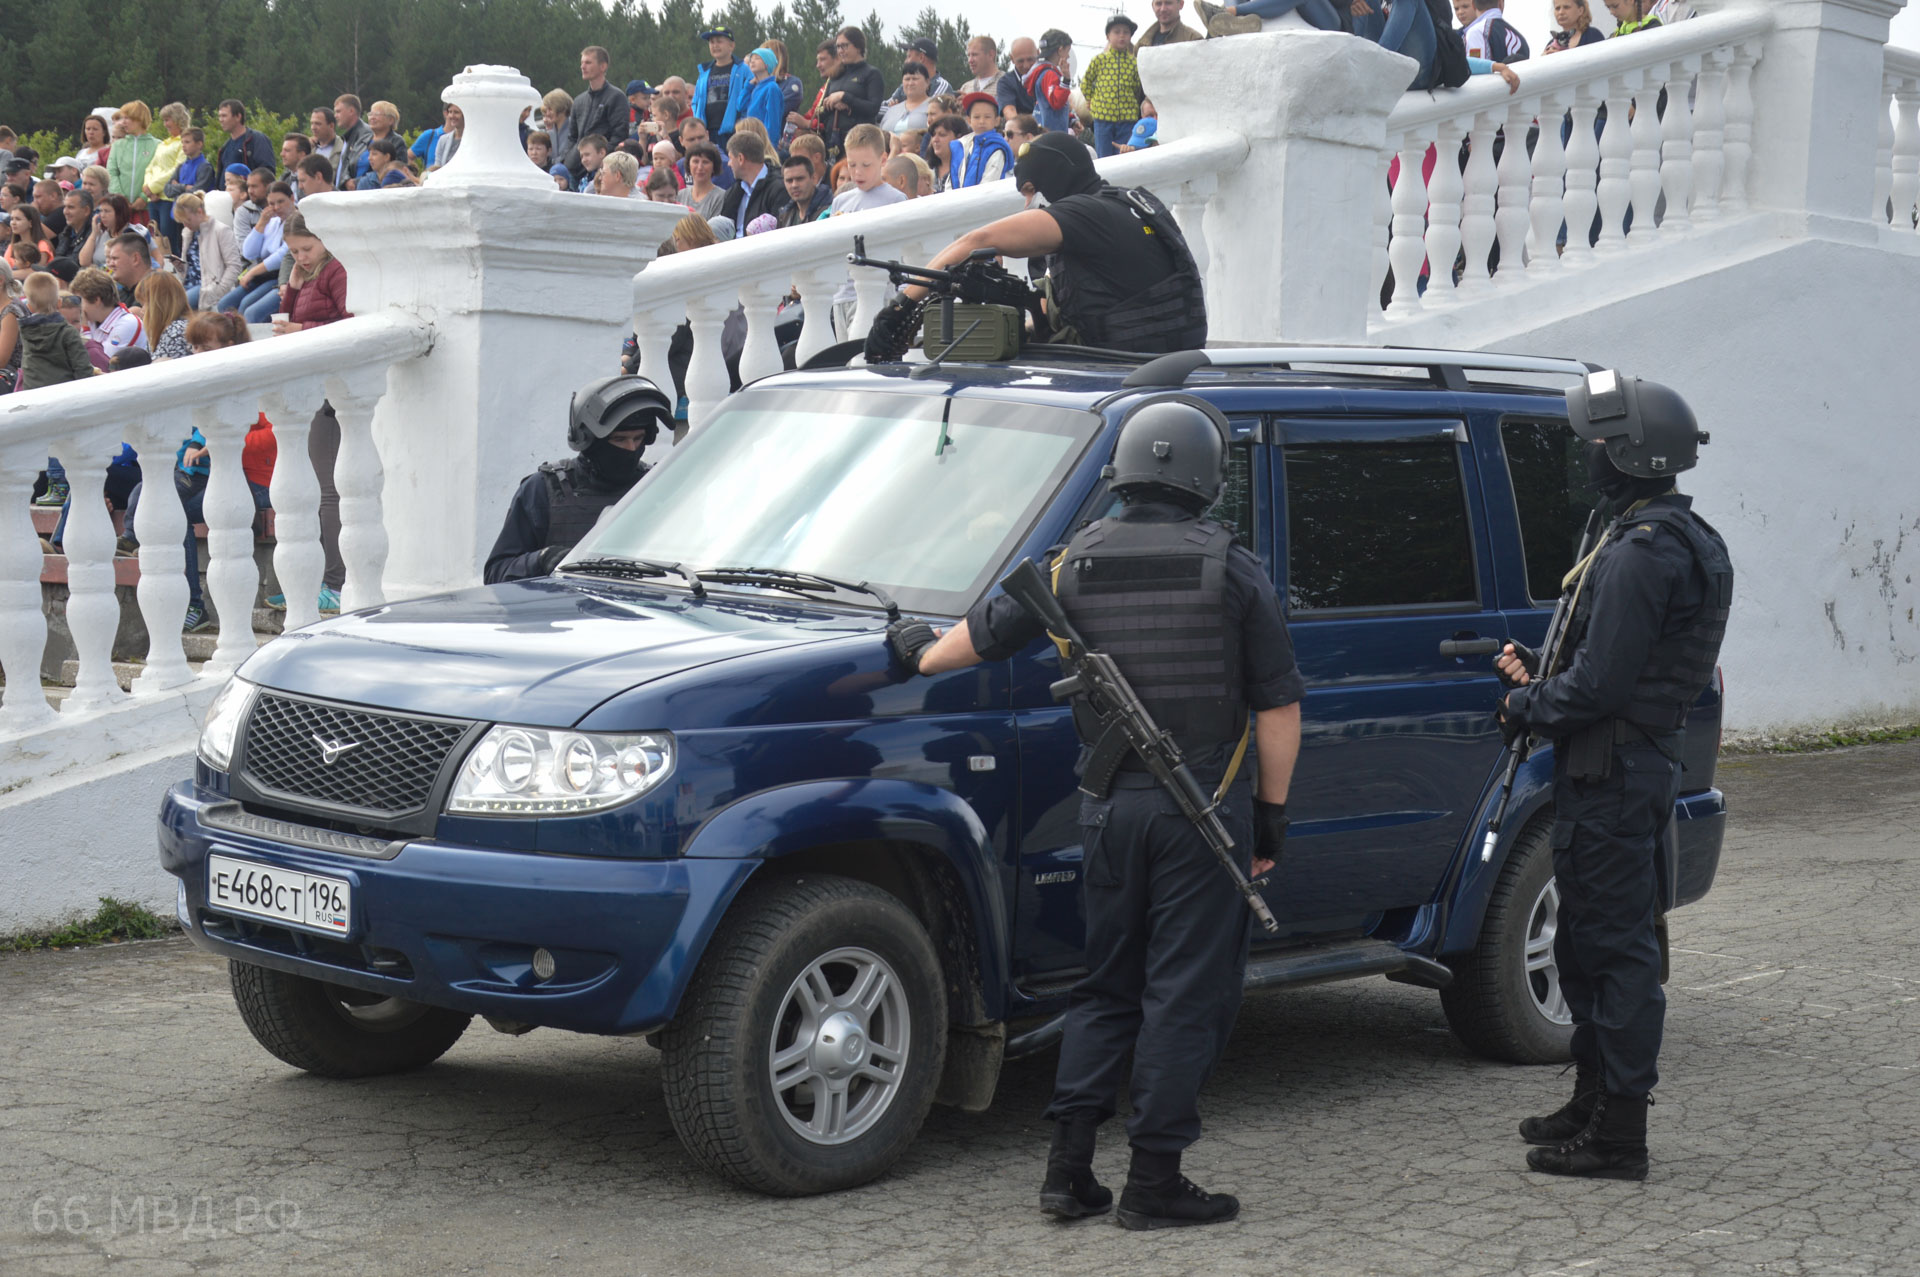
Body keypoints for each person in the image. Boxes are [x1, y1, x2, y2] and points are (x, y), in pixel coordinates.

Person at [887, 399, 1302, 1229]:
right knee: (1184, 994)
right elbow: (1279, 710)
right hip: (1200, 819)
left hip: (1108, 811)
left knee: (1107, 987)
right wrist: (1270, 821)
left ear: (1124, 472)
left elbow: (986, 632)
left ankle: (1068, 1171)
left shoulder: (1073, 558)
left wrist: (922, 651)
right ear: (1204, 479)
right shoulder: (1232, 568)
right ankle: (1153, 1181)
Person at [1495, 371, 1731, 1182]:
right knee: (1586, 942)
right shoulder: (1662, 534)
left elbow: (1601, 686)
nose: (1588, 454)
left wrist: (1531, 704)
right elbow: (1612, 666)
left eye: (1600, 441)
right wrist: (1539, 675)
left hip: (1615, 770)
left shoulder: (1643, 552)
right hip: (1619, 764)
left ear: (1631, 452)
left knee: (1617, 952)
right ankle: (1592, 1098)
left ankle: (1618, 1133)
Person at [870, 132, 1207, 356]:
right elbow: (1089, 302)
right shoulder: (1128, 201)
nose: (1027, 201)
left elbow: (977, 241)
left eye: (1030, 190)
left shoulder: (1085, 213)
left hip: (1129, 368)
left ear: (1055, 180)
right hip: (1157, 356)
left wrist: (898, 308)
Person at [484, 375, 673, 584]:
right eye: (620, 439)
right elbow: (496, 573)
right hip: (566, 612)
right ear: (589, 441)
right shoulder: (542, 490)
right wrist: (541, 559)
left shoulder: (655, 488)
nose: (631, 448)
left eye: (637, 438)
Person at [220, 182, 295, 320]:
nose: (277, 207)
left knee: (248, 309)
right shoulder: (272, 222)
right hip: (263, 275)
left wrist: (252, 272)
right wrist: (261, 224)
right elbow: (248, 252)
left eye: (281, 202)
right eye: (272, 204)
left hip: (279, 276)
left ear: (292, 198)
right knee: (224, 304)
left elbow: (282, 256)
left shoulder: (296, 221)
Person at [272, 213, 349, 331]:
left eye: (307, 249)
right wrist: (292, 289)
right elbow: (286, 321)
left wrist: (302, 329)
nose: (300, 258)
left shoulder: (337, 270)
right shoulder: (303, 272)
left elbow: (351, 323)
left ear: (324, 240)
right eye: (294, 251)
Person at [1081, 18, 1146, 158]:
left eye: (1126, 32)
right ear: (1108, 36)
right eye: (1117, 32)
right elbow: (1086, 83)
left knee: (1124, 156)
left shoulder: (1134, 63)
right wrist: (1091, 99)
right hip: (1103, 118)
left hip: (1127, 119)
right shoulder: (1099, 60)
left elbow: (1136, 87)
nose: (1122, 36)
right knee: (1104, 156)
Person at [566, 45, 631, 179]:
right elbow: (572, 137)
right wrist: (568, 158)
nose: (583, 67)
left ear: (603, 66)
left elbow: (619, 134)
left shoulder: (616, 97)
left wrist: (602, 160)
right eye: (582, 63)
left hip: (602, 170)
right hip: (574, 169)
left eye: (588, 62)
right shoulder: (579, 101)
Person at [821, 28, 886, 153]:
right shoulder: (835, 75)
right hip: (833, 142)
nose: (840, 51)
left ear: (858, 46)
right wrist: (834, 105)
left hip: (860, 142)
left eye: (844, 46)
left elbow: (873, 108)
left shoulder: (872, 74)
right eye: (838, 47)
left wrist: (845, 97)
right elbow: (821, 113)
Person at [174, 191, 237, 308]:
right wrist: (179, 266)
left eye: (188, 220)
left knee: (175, 308)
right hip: (190, 286)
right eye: (182, 221)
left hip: (208, 288)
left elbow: (234, 266)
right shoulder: (188, 233)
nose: (185, 224)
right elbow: (188, 271)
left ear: (199, 212)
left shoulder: (221, 230)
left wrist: (218, 291)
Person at [693, 27, 752, 147]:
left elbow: (750, 97)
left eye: (719, 41)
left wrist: (743, 122)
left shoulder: (743, 69)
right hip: (708, 130)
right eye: (711, 42)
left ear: (731, 46)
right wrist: (698, 120)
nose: (715, 45)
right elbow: (696, 101)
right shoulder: (704, 72)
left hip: (733, 130)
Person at [141, 103, 190, 245]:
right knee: (156, 240)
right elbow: (150, 167)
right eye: (164, 120)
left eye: (168, 119)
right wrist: (147, 188)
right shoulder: (163, 144)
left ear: (178, 119)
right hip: (153, 198)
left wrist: (153, 188)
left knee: (169, 240)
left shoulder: (184, 142)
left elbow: (178, 169)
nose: (165, 124)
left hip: (169, 198)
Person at [719, 132, 787, 235]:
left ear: (741, 159)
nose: (728, 163)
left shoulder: (778, 189)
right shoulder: (734, 191)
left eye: (730, 158)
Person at [948, 94, 1014, 189]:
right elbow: (951, 179)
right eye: (976, 117)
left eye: (987, 117)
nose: (982, 121)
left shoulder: (996, 148)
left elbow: (989, 184)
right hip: (958, 202)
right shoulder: (962, 146)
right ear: (969, 120)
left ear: (997, 121)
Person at [106, 101, 159, 210]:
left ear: (139, 119)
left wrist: (144, 198)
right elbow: (111, 172)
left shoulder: (158, 145)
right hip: (120, 208)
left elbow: (158, 174)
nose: (122, 122)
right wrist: (120, 198)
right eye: (122, 118)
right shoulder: (117, 145)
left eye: (127, 118)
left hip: (147, 208)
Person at [136, 269, 192, 359]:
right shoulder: (158, 332)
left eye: (145, 303)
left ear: (158, 304)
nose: (142, 310)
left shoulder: (176, 332)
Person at [1026, 32, 1074, 135]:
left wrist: (1071, 119)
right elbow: (1057, 102)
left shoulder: (1040, 72)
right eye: (1067, 51)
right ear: (1060, 50)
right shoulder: (1049, 75)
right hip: (1052, 135)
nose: (1068, 56)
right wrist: (1066, 79)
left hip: (1043, 130)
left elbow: (1048, 104)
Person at [886, 36, 954, 107]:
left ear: (921, 57)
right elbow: (882, 107)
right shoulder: (906, 85)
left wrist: (898, 109)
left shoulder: (942, 86)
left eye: (909, 56)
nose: (905, 61)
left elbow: (929, 111)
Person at [739, 47, 788, 144]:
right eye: (751, 59)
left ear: (767, 64)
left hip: (763, 144)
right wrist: (748, 86)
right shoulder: (754, 87)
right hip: (750, 141)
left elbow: (773, 122)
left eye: (757, 58)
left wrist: (769, 147)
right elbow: (740, 106)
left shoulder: (772, 88)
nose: (752, 61)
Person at [215, 100, 275, 177]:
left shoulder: (257, 140)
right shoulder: (225, 147)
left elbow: (267, 173)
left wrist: (250, 186)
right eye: (219, 116)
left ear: (238, 117)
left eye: (224, 116)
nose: (220, 120)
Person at [880, 63, 936, 138]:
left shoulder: (935, 106)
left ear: (927, 82)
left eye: (915, 79)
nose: (910, 83)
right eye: (907, 79)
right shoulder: (892, 110)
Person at [1463, 0, 1530, 62]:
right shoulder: (1519, 37)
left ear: (1473, 5)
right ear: (1500, 3)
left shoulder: (1476, 32)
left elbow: (1477, 71)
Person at [776, 153, 830, 226]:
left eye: (800, 179)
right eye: (789, 180)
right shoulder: (784, 216)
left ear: (813, 178)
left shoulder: (829, 212)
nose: (794, 185)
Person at [333, 95, 374, 189]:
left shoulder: (366, 135)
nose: (335, 116)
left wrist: (349, 181)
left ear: (351, 111)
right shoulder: (349, 137)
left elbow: (364, 165)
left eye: (338, 111)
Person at [676, 142, 727, 216]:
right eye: (695, 162)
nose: (700, 167)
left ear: (714, 167)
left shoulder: (721, 197)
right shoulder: (680, 195)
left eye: (705, 162)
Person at [107, 231, 154, 305]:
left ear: (135, 259)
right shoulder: (121, 294)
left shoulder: (156, 291)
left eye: (115, 258)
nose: (110, 264)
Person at [1137, 0, 1205, 48]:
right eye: (1158, 4)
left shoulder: (1193, 39)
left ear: (1181, 4)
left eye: (1168, 3)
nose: (1163, 9)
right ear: (1152, 6)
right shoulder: (1142, 44)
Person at [925, 115, 964, 192]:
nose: (935, 140)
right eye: (933, 135)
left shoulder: (965, 168)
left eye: (942, 134)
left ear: (959, 138)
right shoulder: (927, 169)